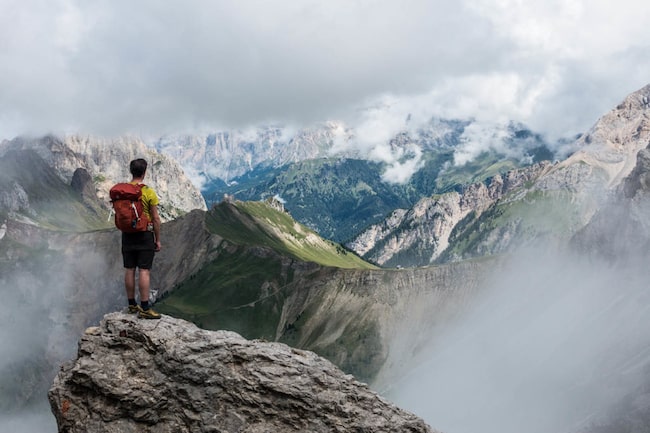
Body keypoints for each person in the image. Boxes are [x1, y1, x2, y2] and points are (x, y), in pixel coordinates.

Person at [122, 158, 162, 319]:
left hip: (127, 235)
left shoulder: (122, 191)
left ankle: (131, 305)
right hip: (145, 234)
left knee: (129, 269)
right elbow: (156, 218)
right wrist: (157, 240)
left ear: (131, 171)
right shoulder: (148, 192)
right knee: (144, 270)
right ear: (144, 172)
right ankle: (145, 307)